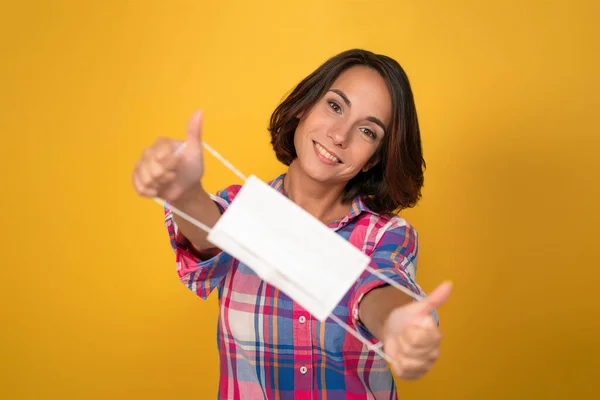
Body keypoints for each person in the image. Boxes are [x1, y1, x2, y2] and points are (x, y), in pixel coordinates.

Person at [132, 48, 451, 399]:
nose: (340, 135)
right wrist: (186, 193)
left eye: (367, 130)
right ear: (303, 106)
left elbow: (378, 291)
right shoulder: (241, 209)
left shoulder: (388, 235)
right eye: (334, 106)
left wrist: (397, 324)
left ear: (373, 159)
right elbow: (210, 233)